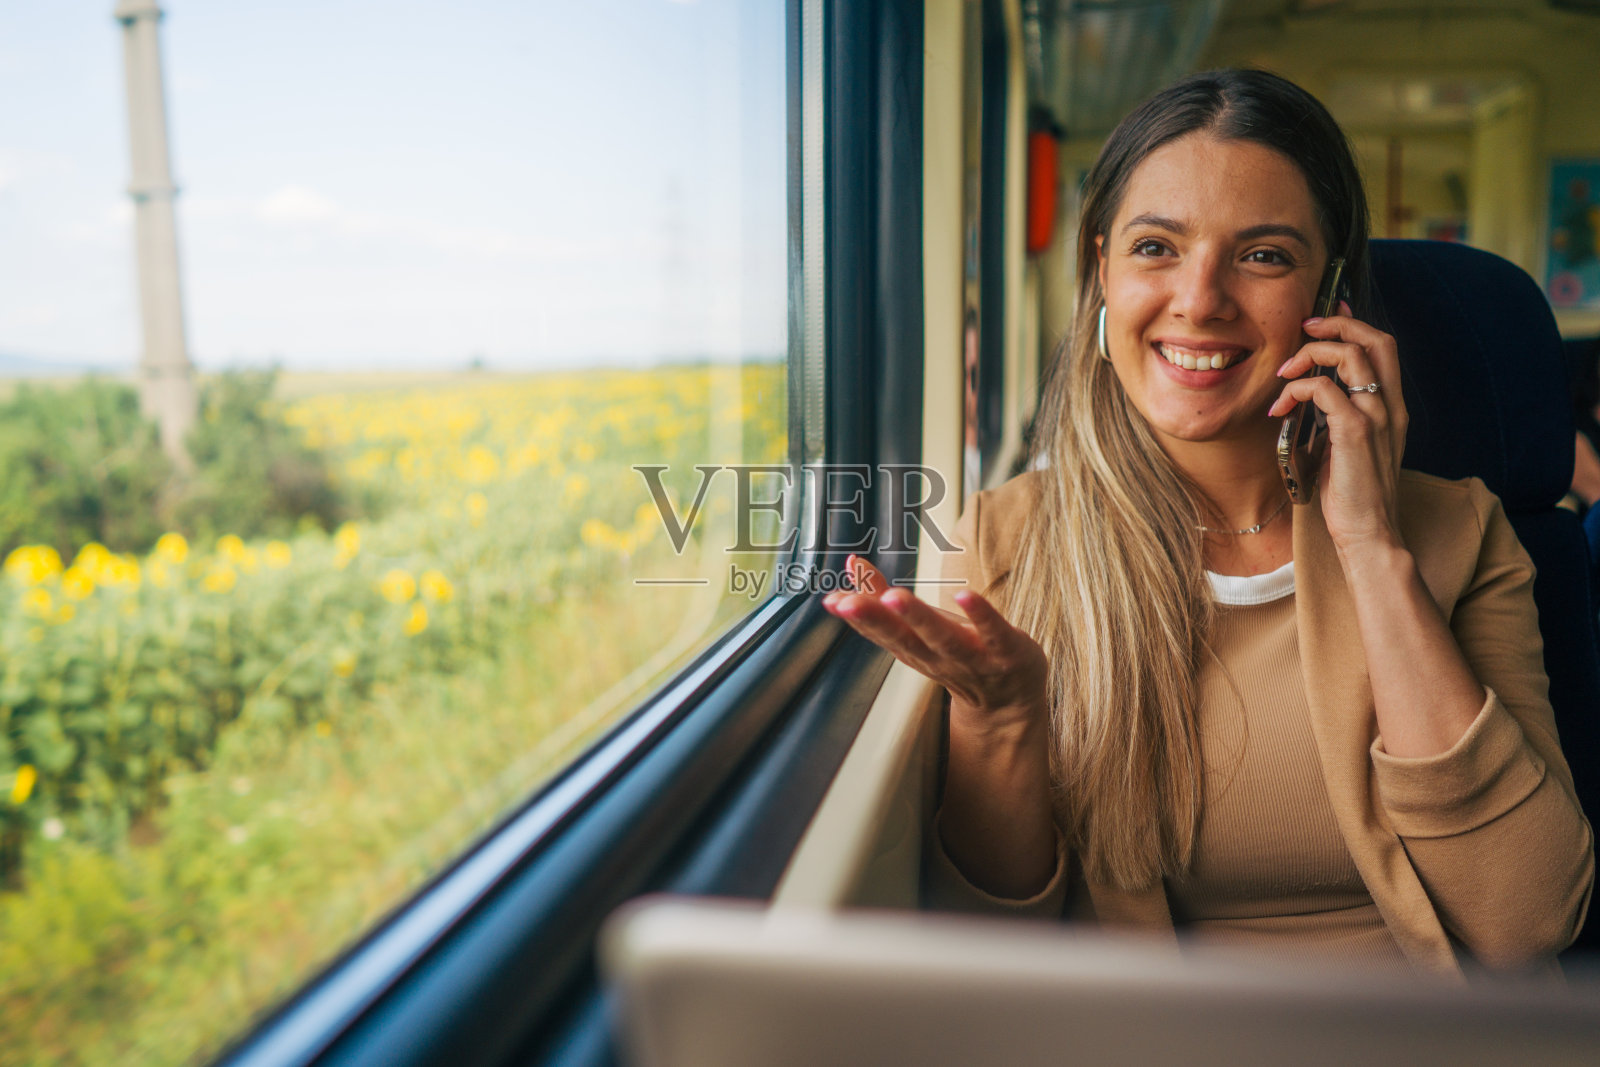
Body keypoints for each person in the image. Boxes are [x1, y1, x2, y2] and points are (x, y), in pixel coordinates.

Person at [822, 69, 1593, 978]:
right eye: (1156, 247)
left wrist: (1372, 550)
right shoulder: (1004, 542)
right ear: (1101, 267)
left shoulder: (1462, 528)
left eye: (1263, 255)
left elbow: (1533, 919)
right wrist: (1002, 725)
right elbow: (996, 960)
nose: (1199, 299)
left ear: (1333, 294)